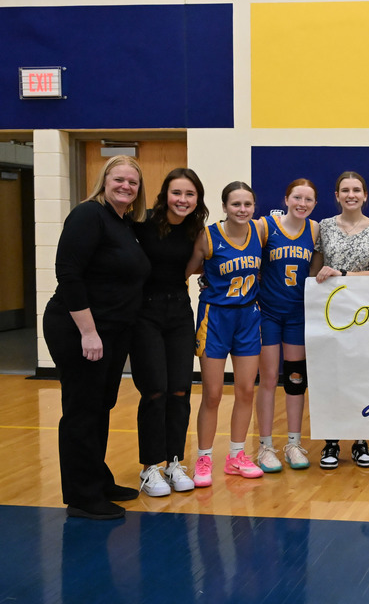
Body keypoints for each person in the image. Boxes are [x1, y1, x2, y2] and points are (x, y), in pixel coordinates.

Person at [43, 155, 151, 519]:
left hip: (112, 331)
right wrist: (87, 332)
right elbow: (68, 275)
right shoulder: (88, 215)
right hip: (80, 329)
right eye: (119, 179)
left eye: (132, 182)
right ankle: (82, 496)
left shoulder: (122, 223)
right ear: (104, 181)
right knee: (82, 409)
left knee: (99, 406)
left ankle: (97, 478)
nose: (126, 186)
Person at [131, 168, 208, 497]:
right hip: (144, 313)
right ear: (165, 195)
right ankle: (150, 467)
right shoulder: (142, 224)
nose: (183, 199)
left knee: (180, 390)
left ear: (197, 200)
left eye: (190, 194)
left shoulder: (195, 229)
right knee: (155, 391)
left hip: (179, 311)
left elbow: (200, 264)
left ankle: (174, 462)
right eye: (177, 193)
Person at [187, 181, 267, 486]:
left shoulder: (259, 232)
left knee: (246, 390)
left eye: (248, 204)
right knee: (213, 393)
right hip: (215, 319)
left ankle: (236, 456)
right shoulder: (208, 236)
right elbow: (190, 270)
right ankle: (204, 457)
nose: (242, 209)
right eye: (236, 204)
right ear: (224, 207)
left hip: (248, 317)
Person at [311, 171, 369, 468]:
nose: (351, 194)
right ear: (337, 196)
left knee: (360, 377)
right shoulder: (325, 227)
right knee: (330, 378)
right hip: (330, 313)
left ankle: (360, 440)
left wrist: (342, 275)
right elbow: (315, 271)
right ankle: (331, 443)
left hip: (364, 313)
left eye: (357, 190)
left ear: (365, 195)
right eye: (345, 190)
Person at [255, 179, 319, 472]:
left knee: (295, 381)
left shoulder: (315, 229)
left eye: (308, 199)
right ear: (286, 198)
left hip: (297, 315)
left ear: (314, 204)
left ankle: (293, 443)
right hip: (268, 313)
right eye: (297, 197)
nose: (301, 204)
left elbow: (315, 271)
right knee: (268, 379)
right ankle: (265, 446)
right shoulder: (265, 226)